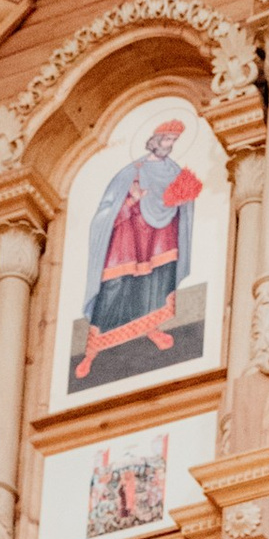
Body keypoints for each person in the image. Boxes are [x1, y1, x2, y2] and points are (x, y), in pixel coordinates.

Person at [74, 123, 202, 379]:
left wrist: (181, 199)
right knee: (114, 287)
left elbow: (179, 202)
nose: (170, 145)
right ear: (155, 140)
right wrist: (132, 199)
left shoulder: (174, 171)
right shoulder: (132, 172)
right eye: (167, 139)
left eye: (173, 140)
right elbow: (105, 213)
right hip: (128, 241)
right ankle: (91, 352)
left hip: (160, 237)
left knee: (156, 283)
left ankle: (151, 328)